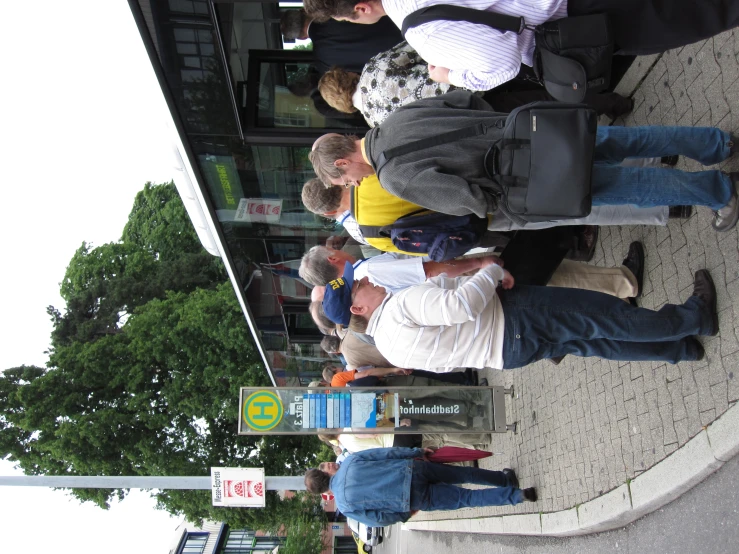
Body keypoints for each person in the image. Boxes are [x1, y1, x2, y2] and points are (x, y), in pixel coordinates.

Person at [309, 91, 739, 233]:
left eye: (347, 181)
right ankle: (719, 144)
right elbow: (464, 98)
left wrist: (490, 210)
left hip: (529, 177)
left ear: (344, 164)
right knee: (633, 139)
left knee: (632, 188)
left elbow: (465, 198)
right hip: (536, 132)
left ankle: (720, 190)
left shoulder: (394, 178)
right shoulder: (396, 117)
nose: (356, 185)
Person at [321, 260, 718, 370]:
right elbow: (460, 307)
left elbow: (449, 339)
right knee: (606, 317)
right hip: (515, 318)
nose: (367, 279)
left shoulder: (389, 345)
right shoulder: (398, 307)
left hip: (505, 352)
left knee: (599, 341)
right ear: (359, 307)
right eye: (360, 285)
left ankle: (678, 349)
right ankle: (693, 318)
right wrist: (491, 269)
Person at [303, 0, 739, 91]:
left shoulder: (422, 33)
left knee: (698, 12)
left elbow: (503, 62)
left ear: (358, 8)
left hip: (580, 20)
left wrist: (449, 75)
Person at [319, 41, 632, 127]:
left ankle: (604, 111)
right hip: (469, 76)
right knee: (545, 83)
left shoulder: (376, 124)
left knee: (540, 107)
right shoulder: (375, 68)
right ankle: (610, 98)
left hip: (467, 110)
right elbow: (421, 46)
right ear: (347, 77)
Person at [305, 449, 536, 526]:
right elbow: (386, 453)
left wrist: (405, 513)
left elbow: (378, 520)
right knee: (463, 473)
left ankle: (517, 496)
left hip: (410, 499)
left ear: (324, 493)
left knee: (466, 499)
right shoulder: (351, 462)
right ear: (325, 472)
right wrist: (416, 452)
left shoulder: (345, 507)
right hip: (412, 471)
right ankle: (505, 479)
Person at [280, 8, 403, 75]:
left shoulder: (323, 63)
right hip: (405, 21)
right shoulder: (334, 10)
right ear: (303, 10)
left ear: (301, 38)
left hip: (405, 60)